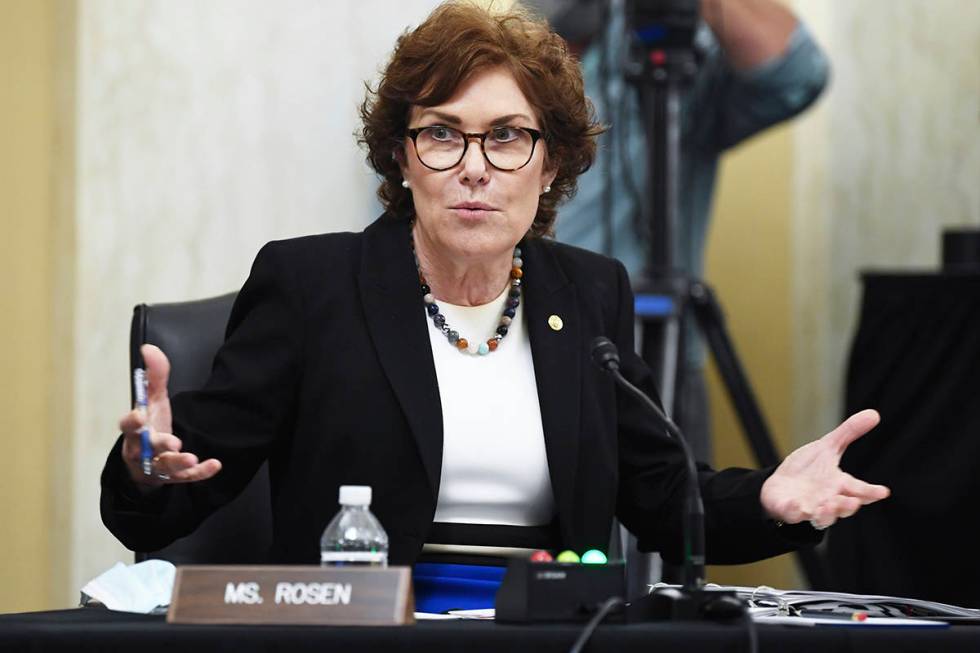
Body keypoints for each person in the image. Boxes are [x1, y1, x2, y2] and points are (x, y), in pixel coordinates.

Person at [101, 1, 885, 613]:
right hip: (364, 640)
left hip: (550, 635)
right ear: (403, 159)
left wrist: (773, 499)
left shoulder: (587, 293)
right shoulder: (313, 285)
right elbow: (174, 489)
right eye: (443, 134)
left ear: (550, 167)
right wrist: (148, 471)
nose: (476, 167)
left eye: (509, 137)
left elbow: (663, 496)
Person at [545, 0, 831, 460]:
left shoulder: (663, 51)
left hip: (662, 357)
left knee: (680, 516)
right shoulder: (502, 69)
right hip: (531, 355)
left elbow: (798, 75)